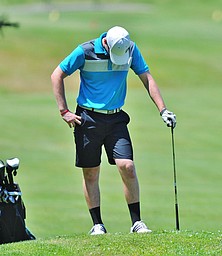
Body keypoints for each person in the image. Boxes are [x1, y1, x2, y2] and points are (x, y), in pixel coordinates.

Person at [51, 26, 176, 235]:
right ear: (106, 43)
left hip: (116, 118)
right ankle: (97, 224)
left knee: (127, 166)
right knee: (90, 172)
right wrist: (64, 111)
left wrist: (163, 110)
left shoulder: (131, 49)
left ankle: (137, 222)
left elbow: (147, 77)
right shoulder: (85, 51)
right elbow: (57, 75)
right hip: (88, 119)